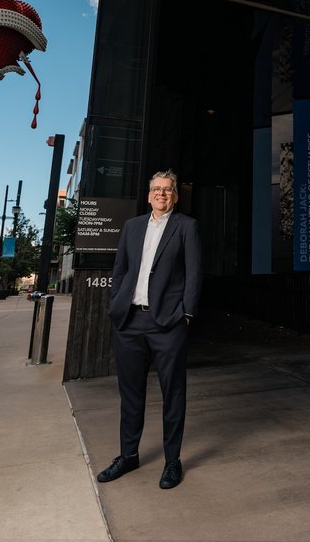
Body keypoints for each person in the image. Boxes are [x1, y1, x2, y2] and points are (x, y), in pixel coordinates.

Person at [98, 170, 202, 489]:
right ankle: (128, 455)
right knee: (130, 393)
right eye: (156, 189)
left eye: (168, 189)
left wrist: (185, 314)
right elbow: (121, 269)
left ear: (176, 195)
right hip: (130, 321)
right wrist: (117, 304)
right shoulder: (132, 227)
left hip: (168, 323)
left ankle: (172, 461)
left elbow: (194, 272)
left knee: (173, 393)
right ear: (148, 195)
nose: (161, 194)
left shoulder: (187, 226)